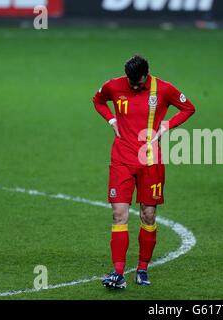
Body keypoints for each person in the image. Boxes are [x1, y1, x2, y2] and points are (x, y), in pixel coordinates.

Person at [93, 55, 195, 289]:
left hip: (150, 161)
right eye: (131, 83)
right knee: (119, 214)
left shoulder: (164, 89)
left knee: (148, 215)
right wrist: (111, 120)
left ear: (146, 75)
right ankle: (118, 272)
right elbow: (98, 101)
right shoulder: (114, 85)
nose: (134, 86)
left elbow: (188, 108)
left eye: (138, 83)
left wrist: (168, 125)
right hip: (121, 160)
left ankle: (142, 268)